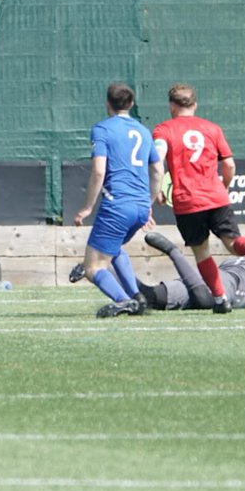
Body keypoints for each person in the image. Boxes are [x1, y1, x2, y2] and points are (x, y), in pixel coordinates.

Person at [152, 83, 245, 314]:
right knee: (232, 243)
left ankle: (221, 299)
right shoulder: (212, 129)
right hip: (216, 197)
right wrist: (223, 187)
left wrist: (156, 188)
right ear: (195, 104)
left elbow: (157, 159)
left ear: (171, 106)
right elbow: (229, 164)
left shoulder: (163, 130)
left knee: (202, 252)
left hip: (187, 202)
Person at [72, 82, 165, 318]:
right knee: (113, 250)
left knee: (94, 267)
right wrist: (149, 203)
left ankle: (125, 300)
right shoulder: (144, 132)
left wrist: (87, 207)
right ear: (131, 104)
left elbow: (99, 171)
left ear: (107, 104)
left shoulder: (102, 130)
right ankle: (137, 297)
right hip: (140, 207)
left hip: (117, 206)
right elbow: (157, 171)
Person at [136, 231, 245, 310]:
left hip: (206, 276)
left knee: (147, 297)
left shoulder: (234, 259)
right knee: (205, 300)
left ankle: (114, 267)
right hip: (224, 287)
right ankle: (173, 251)